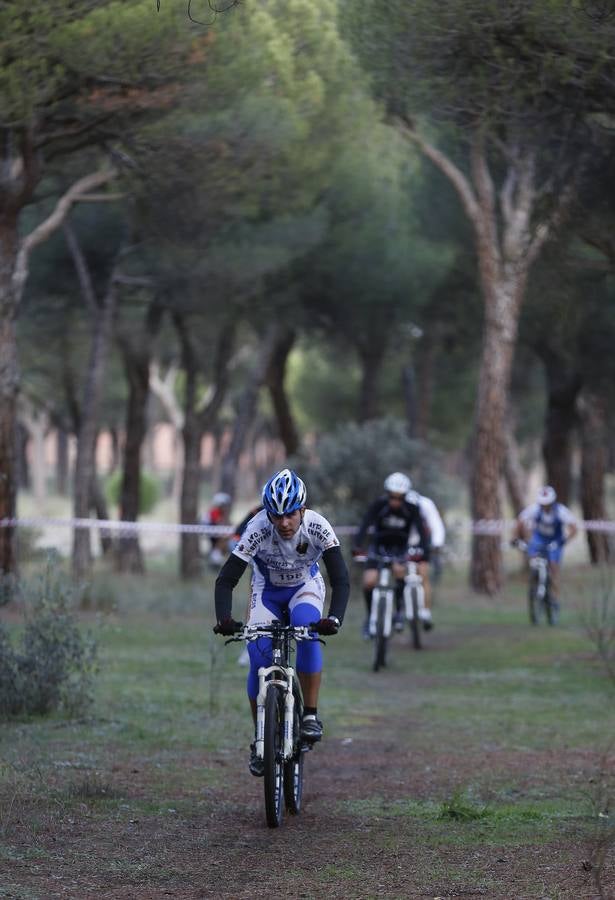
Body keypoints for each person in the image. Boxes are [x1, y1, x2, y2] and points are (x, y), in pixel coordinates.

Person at [213, 468, 350, 777]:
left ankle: (310, 715)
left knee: (307, 630)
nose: (285, 523)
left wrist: (334, 618)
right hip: (267, 593)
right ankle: (260, 738)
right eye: (277, 516)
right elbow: (226, 581)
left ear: (302, 509)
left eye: (291, 514)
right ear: (268, 513)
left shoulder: (318, 527)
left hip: (305, 588)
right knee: (258, 659)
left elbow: (341, 580)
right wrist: (223, 617)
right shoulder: (257, 527)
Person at [353, 472, 431, 639]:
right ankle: (369, 618)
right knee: (369, 582)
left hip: (400, 548)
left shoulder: (412, 509)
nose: (395, 501)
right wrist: (357, 545)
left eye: (399, 498)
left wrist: (425, 550)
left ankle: (398, 612)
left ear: (405, 496)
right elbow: (365, 525)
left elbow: (422, 532)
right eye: (392, 497)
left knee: (399, 573)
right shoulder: (378, 505)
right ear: (387, 494)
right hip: (379, 546)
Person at [513, 485, 578, 614]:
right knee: (533, 558)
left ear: (552, 502)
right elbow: (519, 522)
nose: (544, 506)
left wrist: (564, 541)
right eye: (542, 504)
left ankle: (554, 598)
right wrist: (515, 538)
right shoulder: (535, 509)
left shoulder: (561, 511)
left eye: (547, 504)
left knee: (554, 568)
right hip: (539, 539)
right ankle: (536, 582)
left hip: (555, 540)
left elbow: (574, 528)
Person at [405, 484, 446, 626]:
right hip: (404, 541)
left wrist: (436, 544)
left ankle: (426, 611)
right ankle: (401, 607)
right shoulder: (400, 506)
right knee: (399, 573)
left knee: (423, 574)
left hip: (422, 542)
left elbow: (436, 525)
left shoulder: (426, 504)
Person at [203, 492, 232, 568]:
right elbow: (219, 523)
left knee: (226, 540)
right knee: (224, 539)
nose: (226, 507)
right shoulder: (215, 511)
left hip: (215, 531)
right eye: (224, 505)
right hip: (211, 532)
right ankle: (215, 558)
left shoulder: (220, 512)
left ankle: (216, 557)